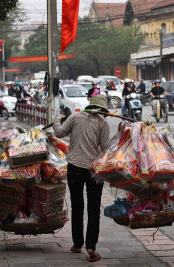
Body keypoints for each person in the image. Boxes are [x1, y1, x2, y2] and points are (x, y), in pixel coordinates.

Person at [53, 95, 110, 263]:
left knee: (77, 207)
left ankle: (77, 244)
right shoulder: (103, 123)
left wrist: (57, 119)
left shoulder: (75, 117)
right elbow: (106, 150)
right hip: (94, 170)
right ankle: (91, 247)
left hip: (75, 167)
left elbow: (59, 132)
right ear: (102, 110)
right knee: (94, 210)